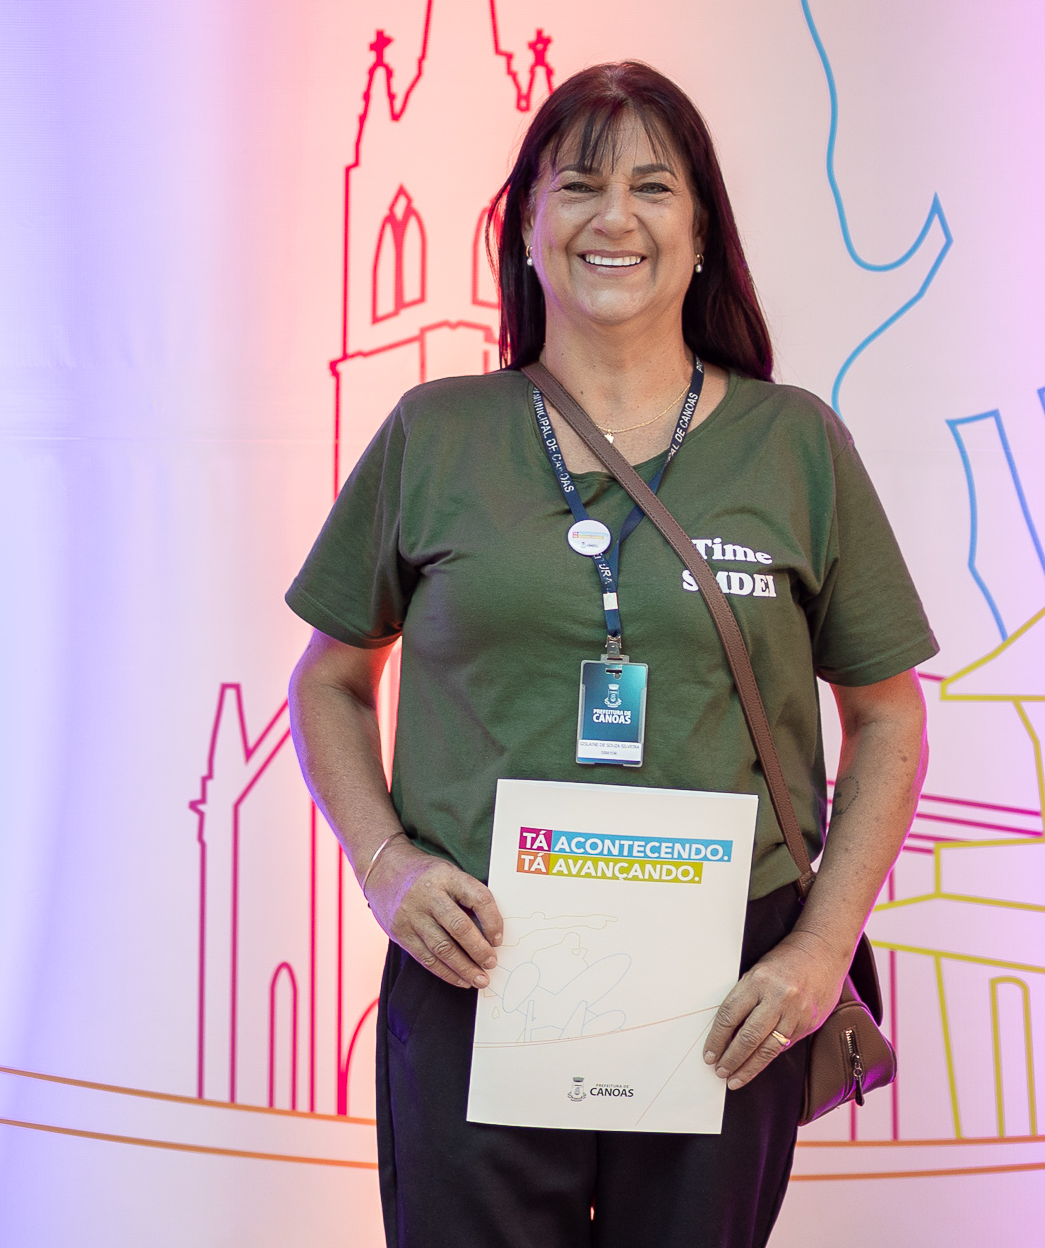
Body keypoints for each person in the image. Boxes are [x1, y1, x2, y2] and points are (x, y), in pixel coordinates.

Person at [285, 61, 934, 1248]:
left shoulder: (794, 443)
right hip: (475, 957)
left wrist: (818, 948)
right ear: (525, 225)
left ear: (701, 232)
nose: (613, 218)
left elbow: (888, 716)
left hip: (729, 987)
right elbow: (329, 681)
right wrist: (385, 869)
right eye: (578, 185)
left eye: (652, 186)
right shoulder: (436, 433)